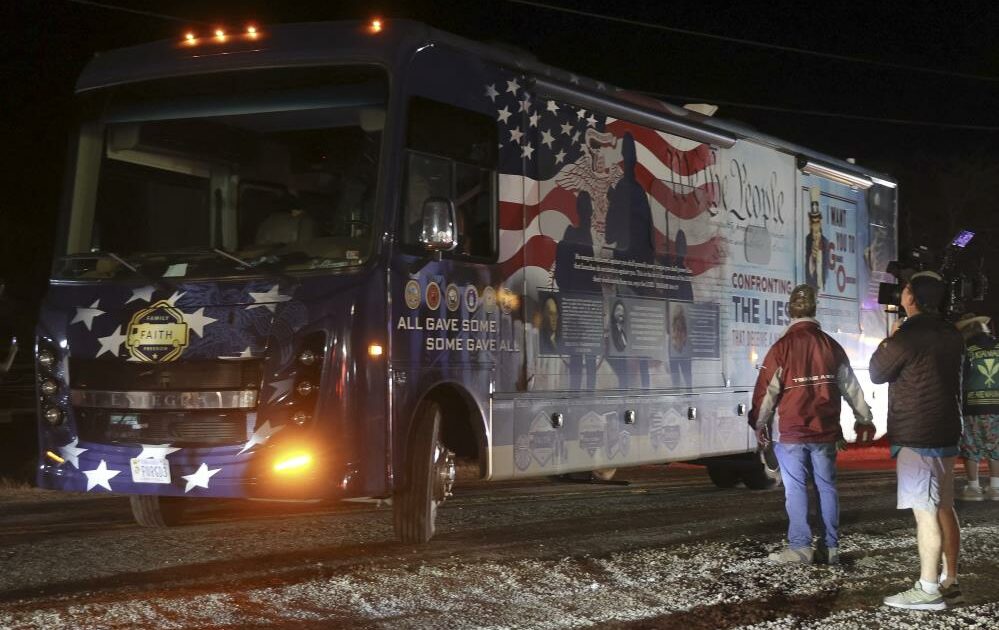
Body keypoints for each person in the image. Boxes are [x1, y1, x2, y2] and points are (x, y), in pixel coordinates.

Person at [749, 284, 874, 565]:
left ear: (789, 312)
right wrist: (864, 419)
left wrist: (758, 423)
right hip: (825, 432)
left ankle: (800, 547)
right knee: (827, 487)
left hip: (791, 433)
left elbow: (766, 391)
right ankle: (830, 547)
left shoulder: (781, 348)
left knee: (795, 489)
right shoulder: (831, 346)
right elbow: (851, 387)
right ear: (814, 310)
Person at [869, 271, 964, 611]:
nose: (901, 295)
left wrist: (890, 337)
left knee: (924, 513)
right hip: (946, 431)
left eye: (905, 290)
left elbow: (878, 372)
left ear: (912, 298)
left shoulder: (908, 335)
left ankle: (927, 590)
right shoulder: (952, 332)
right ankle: (949, 577)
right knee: (942, 507)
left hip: (918, 434)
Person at [954, 313, 999, 502]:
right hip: (997, 406)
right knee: (996, 446)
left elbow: (959, 379)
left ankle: (973, 487)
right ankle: (996, 487)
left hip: (972, 406)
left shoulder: (966, 350)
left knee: (971, 446)